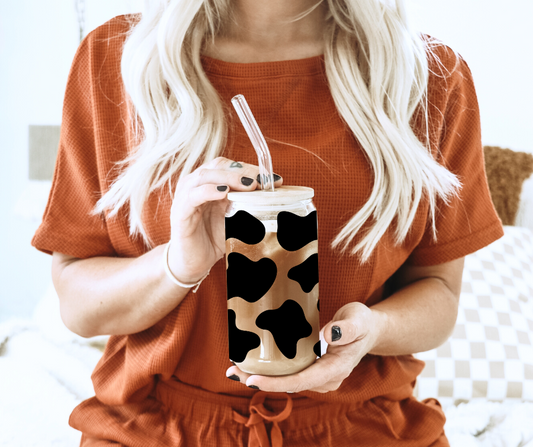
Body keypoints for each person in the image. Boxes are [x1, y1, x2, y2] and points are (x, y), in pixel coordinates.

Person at [32, 0, 504, 445]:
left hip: (363, 425)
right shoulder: (119, 60)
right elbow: (79, 307)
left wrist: (374, 330)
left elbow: (439, 293)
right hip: (154, 430)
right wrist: (178, 264)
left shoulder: (428, 77)